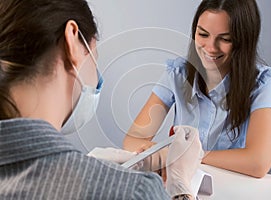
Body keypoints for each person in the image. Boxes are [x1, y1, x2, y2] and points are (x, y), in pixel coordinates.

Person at [0, 0, 202, 199]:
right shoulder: (135, 192)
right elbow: (134, 138)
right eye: (95, 56)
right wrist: (180, 185)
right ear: (73, 43)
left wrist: (87, 164)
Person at [123, 0, 271, 178]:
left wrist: (188, 154)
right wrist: (156, 152)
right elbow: (132, 139)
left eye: (225, 39)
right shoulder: (178, 72)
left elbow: (258, 162)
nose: (211, 48)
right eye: (203, 34)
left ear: (244, 41)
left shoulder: (262, 83)